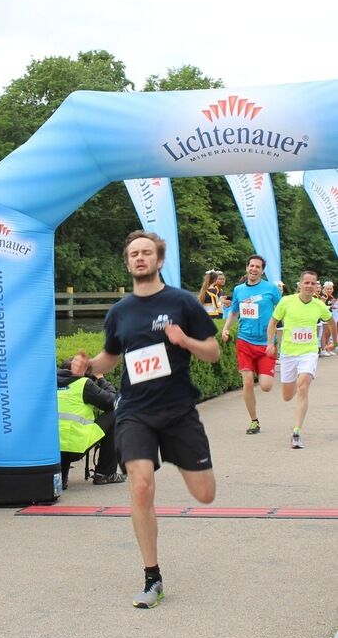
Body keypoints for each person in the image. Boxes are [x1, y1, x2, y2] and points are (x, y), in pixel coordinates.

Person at [71, 230, 219, 609]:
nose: (139, 257)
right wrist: (88, 366)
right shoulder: (119, 312)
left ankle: (177, 454)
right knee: (140, 487)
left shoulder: (183, 302)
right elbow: (110, 358)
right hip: (135, 411)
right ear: (128, 262)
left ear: (159, 259)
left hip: (178, 411)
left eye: (146, 252)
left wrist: (185, 341)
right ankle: (152, 577)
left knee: (205, 494)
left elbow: (214, 352)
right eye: (133, 253)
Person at [266, 270, 338, 449]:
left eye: (313, 283)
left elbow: (331, 323)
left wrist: (334, 342)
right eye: (306, 282)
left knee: (303, 387)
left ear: (316, 286)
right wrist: (270, 343)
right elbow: (273, 323)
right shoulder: (286, 301)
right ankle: (294, 389)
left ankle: (296, 432)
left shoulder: (319, 305)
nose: (309, 286)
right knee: (287, 396)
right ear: (299, 284)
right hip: (289, 353)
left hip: (309, 352)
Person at [221, 255, 282, 435]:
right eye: (251, 266)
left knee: (266, 386)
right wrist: (225, 329)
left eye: (258, 267)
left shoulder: (271, 289)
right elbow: (234, 312)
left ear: (262, 271)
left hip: (265, 343)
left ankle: (261, 370)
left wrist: (284, 335)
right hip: (245, 341)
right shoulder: (239, 290)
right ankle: (254, 421)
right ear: (247, 268)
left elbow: (282, 311)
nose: (254, 269)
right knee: (247, 382)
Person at [57, 358, 126, 489]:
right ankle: (105, 474)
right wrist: (100, 378)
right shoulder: (83, 384)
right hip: (75, 447)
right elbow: (113, 402)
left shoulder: (50, 383)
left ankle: (61, 476)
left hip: (53, 450)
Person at [320, 281, 337, 356]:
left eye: (331, 289)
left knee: (329, 333)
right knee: (325, 333)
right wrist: (330, 306)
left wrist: (332, 305)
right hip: (324, 316)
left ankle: (327, 348)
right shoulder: (324, 296)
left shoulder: (331, 296)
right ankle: (323, 349)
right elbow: (322, 306)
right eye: (328, 289)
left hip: (330, 315)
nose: (329, 290)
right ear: (324, 289)